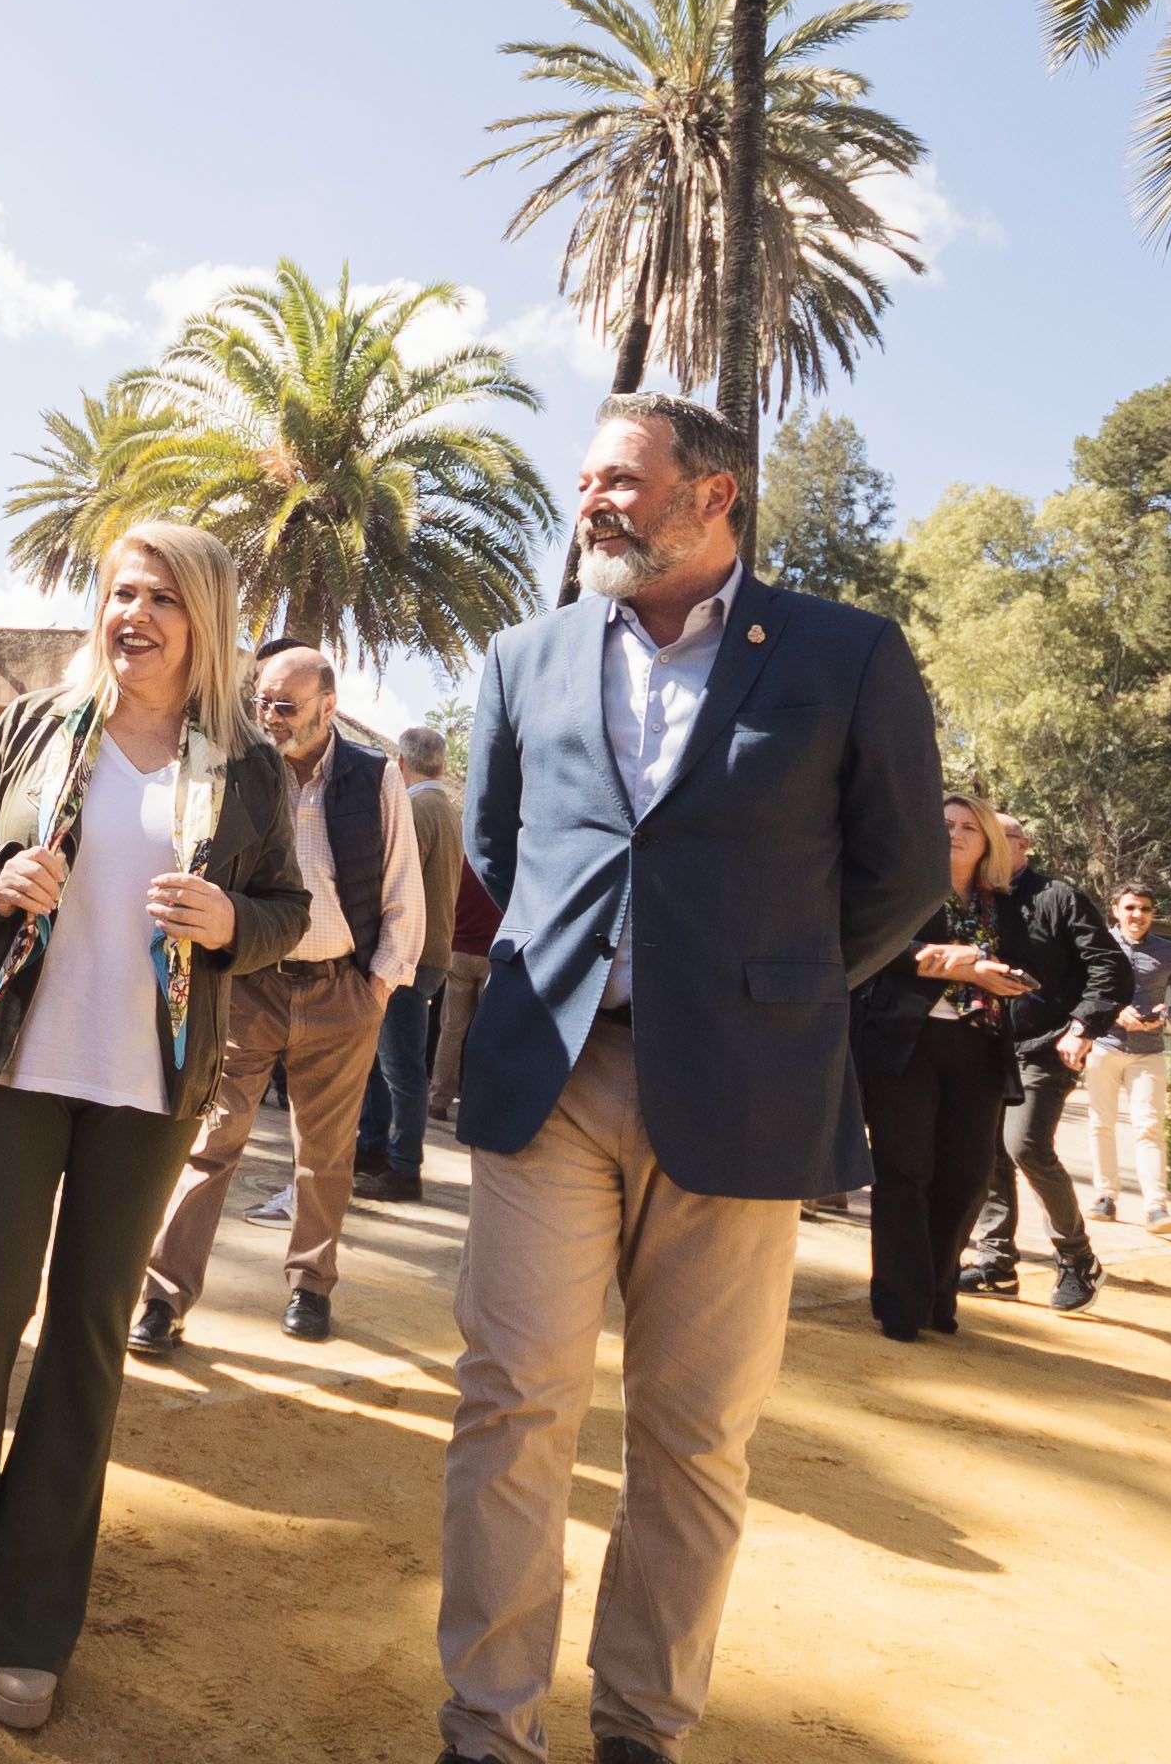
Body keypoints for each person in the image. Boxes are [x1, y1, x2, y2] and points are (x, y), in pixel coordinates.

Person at [440, 392, 943, 1764]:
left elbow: (903, 873)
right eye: (588, 479)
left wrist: (765, 988)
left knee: (694, 1437)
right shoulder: (523, 658)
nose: (593, 498)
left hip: (745, 1092)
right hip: (552, 1078)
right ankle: (485, 1729)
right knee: (513, 1406)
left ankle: (641, 1731)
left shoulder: (845, 654)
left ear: (713, 496)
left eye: (620, 479)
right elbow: (498, 843)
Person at [0, 521, 308, 1732]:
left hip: (154, 1085)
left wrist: (227, 920)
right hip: (15, 1059)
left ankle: (30, 1616)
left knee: (88, 1338)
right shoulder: (34, 726)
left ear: (203, 618)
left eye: (163, 596)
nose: (136, 614)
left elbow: (289, 909)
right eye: (122, 591)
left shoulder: (247, 767)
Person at [134, 641, 420, 1350]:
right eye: (262, 700)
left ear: (329, 707)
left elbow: (401, 891)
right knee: (209, 1138)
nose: (270, 715)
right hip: (246, 984)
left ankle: (310, 1288)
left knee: (324, 1155)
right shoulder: (236, 768)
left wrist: (376, 987)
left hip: (339, 992)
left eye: (286, 706)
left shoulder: (375, 778)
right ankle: (163, 1298)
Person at [852, 795, 1037, 1341]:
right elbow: (871, 945)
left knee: (967, 1177)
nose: (954, 835)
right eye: (944, 825)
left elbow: (1050, 960)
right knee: (904, 1173)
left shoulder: (1005, 904)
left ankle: (937, 1290)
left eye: (967, 828)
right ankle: (900, 1305)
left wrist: (1008, 979)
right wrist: (930, 961)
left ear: (988, 843)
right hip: (904, 1042)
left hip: (977, 1046)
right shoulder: (902, 886)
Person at [958, 834, 1129, 1308]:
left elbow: (1110, 967)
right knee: (989, 1152)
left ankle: (1078, 1260)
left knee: (1025, 1145)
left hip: (1045, 1048)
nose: (988, 843)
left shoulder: (1058, 897)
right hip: (988, 1044)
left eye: (1000, 835)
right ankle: (996, 1265)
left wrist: (1082, 1027)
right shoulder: (975, 900)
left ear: (1023, 844)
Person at [355, 721, 462, 1202]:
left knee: (399, 1069)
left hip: (409, 955)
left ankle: (403, 1166)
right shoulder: (446, 809)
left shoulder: (417, 809)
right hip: (432, 951)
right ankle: (376, 1150)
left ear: (401, 763)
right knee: (384, 1065)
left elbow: (393, 883)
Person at [1085, 883, 1171, 1229]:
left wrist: (1166, 1016)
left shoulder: (1170, 952)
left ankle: (1156, 1208)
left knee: (1149, 1127)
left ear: (1153, 914)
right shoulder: (1096, 944)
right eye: (1131, 907)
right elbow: (1078, 990)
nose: (1138, 915)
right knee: (1101, 1123)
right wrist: (1114, 1012)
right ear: (1116, 909)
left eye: (1145, 909)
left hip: (1149, 1053)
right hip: (1104, 1046)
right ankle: (1105, 1197)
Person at [430, 849, 500, 1122]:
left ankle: (439, 1100)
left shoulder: (462, 862)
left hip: (458, 951)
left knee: (450, 1031)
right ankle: (478, 1103)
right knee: (485, 1035)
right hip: (491, 954)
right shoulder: (505, 864)